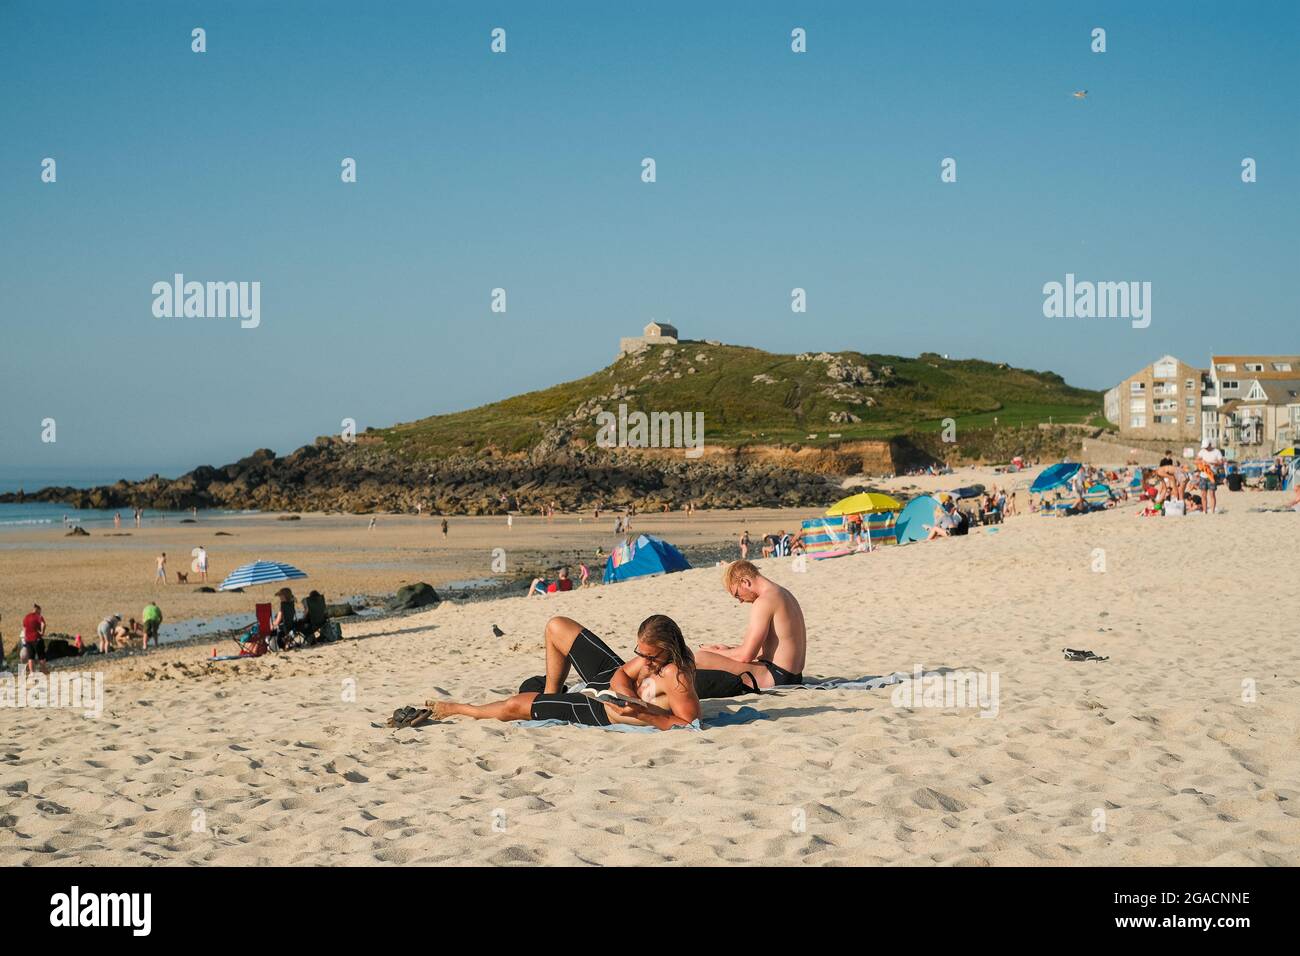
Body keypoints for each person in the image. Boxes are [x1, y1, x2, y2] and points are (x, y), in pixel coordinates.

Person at [429, 615, 701, 730]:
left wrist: (640, 713)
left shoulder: (676, 678)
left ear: (668, 650)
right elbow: (621, 673)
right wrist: (626, 694)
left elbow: (688, 725)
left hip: (596, 708)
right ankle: (550, 696)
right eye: (639, 653)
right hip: (607, 688)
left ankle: (457, 708)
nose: (643, 660)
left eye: (649, 656)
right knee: (557, 625)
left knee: (514, 705)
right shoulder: (651, 659)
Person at [693, 560, 807, 689]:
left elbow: (746, 655)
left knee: (701, 657)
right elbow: (775, 646)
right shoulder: (783, 593)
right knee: (721, 650)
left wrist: (712, 652)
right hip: (794, 675)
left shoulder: (764, 601)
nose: (740, 601)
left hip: (778, 676)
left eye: (737, 594)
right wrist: (728, 650)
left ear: (745, 582)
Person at [1196, 439, 1225, 514]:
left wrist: (1212, 463)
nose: (1205, 449)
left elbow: (1221, 462)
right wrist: (1201, 463)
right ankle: (1204, 511)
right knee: (1203, 494)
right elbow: (1196, 460)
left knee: (1212, 494)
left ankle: (1212, 511)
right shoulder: (1202, 451)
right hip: (1203, 476)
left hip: (1212, 475)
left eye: (1206, 447)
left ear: (1209, 444)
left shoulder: (1216, 452)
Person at [22, 604, 48, 675]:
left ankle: (32, 673)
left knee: (31, 657)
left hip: (28, 640)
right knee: (41, 656)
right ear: (37, 609)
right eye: (40, 611)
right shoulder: (38, 616)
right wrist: (42, 632)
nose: (40, 612)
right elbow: (43, 624)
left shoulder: (26, 617)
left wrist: (25, 637)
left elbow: (24, 628)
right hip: (37, 639)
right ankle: (44, 670)